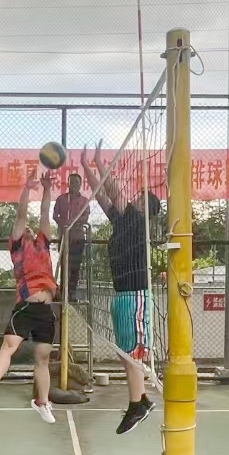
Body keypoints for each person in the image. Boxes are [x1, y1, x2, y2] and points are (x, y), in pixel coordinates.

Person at [79, 147, 158, 434]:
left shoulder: (139, 222)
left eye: (139, 199)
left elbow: (114, 190)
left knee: (134, 353)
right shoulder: (124, 222)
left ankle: (137, 404)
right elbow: (103, 196)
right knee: (125, 354)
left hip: (136, 296)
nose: (134, 198)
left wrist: (100, 163)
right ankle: (141, 400)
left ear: (145, 209)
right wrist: (86, 167)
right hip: (123, 296)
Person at [0, 172, 58, 423]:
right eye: (24, 228)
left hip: (45, 311)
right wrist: (27, 189)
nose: (27, 227)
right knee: (9, 346)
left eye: (30, 228)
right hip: (26, 307)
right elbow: (21, 216)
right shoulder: (18, 247)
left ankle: (42, 402)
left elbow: (44, 214)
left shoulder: (43, 243)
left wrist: (47, 188)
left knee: (42, 358)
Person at [53, 172, 92, 302]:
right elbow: (55, 215)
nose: (74, 184)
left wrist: (74, 223)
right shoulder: (61, 199)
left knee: (75, 266)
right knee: (64, 265)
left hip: (78, 238)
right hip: (64, 237)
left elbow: (85, 216)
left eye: (76, 182)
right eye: (72, 182)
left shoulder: (84, 201)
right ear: (68, 184)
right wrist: (63, 224)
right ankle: (63, 293)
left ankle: (72, 293)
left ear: (80, 184)